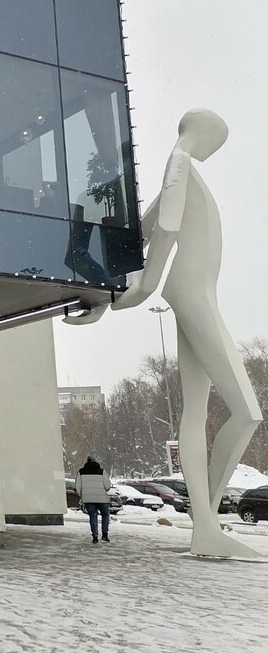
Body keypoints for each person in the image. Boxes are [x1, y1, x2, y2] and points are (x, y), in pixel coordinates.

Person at [66, 109, 263, 558]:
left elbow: (146, 226)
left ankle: (205, 526)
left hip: (194, 294)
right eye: (220, 136)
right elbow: (166, 229)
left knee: (195, 413)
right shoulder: (181, 162)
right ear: (206, 130)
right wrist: (141, 289)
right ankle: (207, 521)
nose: (218, 146)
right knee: (247, 412)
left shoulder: (183, 169)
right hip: (193, 295)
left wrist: (115, 293)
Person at [75, 455, 112, 544]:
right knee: (105, 515)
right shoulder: (101, 471)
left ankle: (95, 536)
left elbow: (78, 486)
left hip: (88, 499)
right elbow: (107, 486)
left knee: (93, 516)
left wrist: (82, 495)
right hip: (102, 498)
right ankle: (105, 534)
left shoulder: (81, 472)